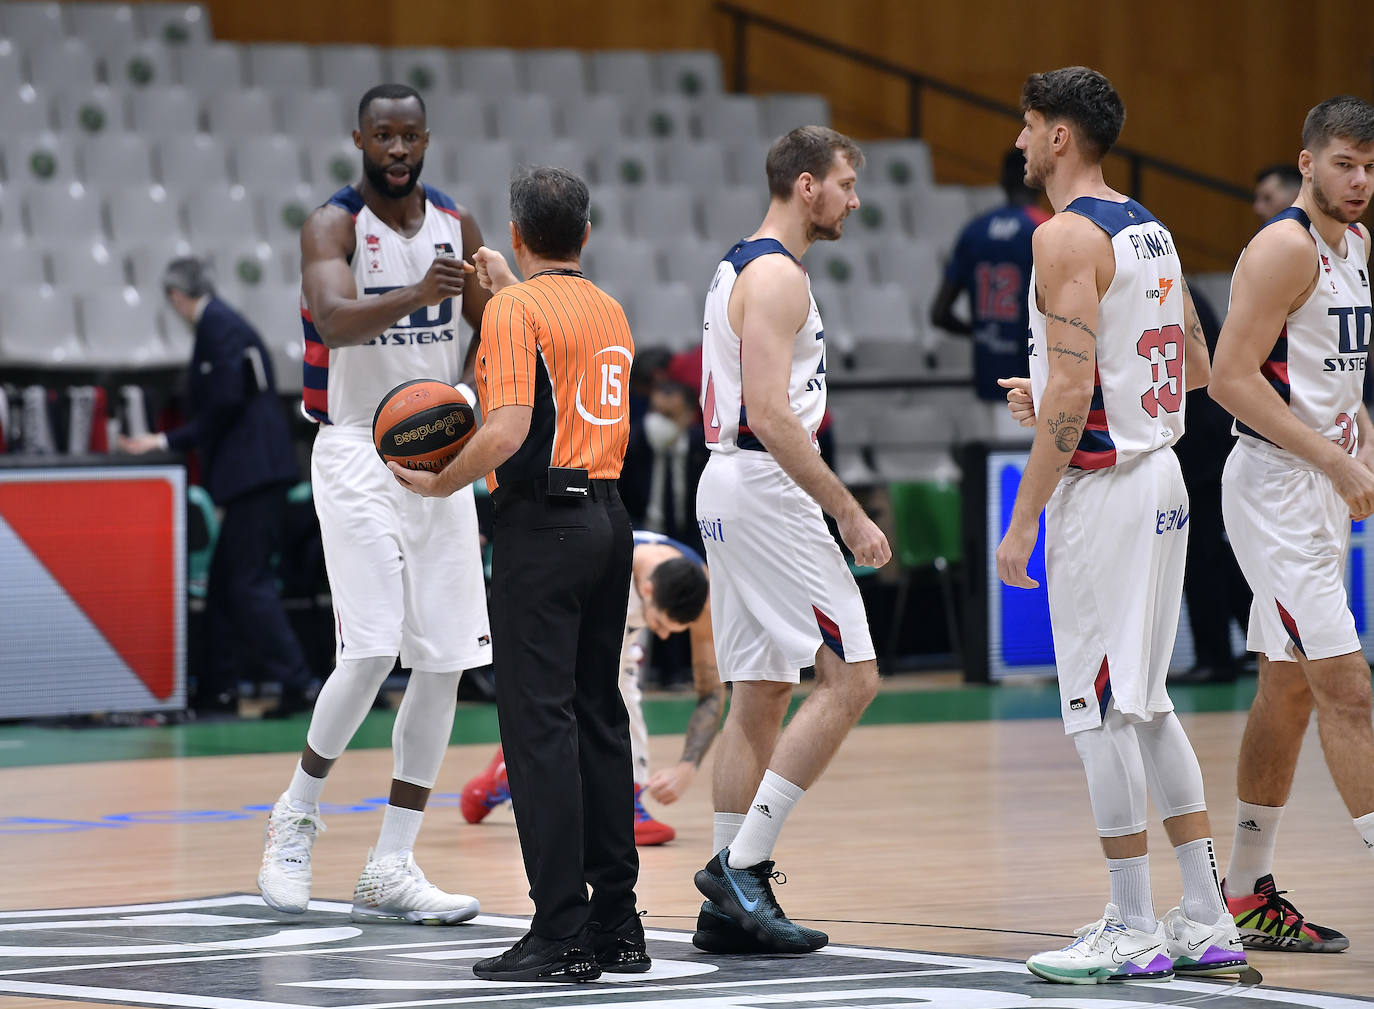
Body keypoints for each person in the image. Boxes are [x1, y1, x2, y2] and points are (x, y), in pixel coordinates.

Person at [995, 67, 1245, 985]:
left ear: (1059, 135)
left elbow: (1072, 390)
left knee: (1099, 709)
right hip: (1161, 477)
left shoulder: (1062, 234)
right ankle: (1206, 915)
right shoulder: (1149, 226)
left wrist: (1024, 516)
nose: (1019, 143)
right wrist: (1080, 394)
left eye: (1028, 126)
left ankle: (1133, 924)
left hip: (1104, 492)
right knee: (1146, 703)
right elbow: (1198, 365)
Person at [393, 165, 645, 983]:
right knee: (599, 715)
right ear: (586, 235)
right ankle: (618, 924)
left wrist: (439, 481)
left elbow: (504, 430)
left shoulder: (512, 311)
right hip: (609, 517)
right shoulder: (607, 307)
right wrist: (508, 288)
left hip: (544, 526)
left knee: (539, 728)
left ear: (514, 234)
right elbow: (554, 362)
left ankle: (560, 929)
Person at [255, 83, 493, 926]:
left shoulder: (457, 226)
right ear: (359, 139)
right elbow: (333, 318)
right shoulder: (333, 225)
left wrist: (472, 395)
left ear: (426, 139)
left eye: (409, 135)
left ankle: (392, 863)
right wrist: (420, 292)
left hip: (440, 449)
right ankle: (295, 816)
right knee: (370, 649)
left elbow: (491, 327)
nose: (397, 148)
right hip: (357, 447)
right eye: (383, 135)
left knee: (445, 660)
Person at [689, 125, 890, 957]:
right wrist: (847, 510)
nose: (854, 200)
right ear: (806, 186)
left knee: (763, 689)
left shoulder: (740, 265)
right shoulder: (777, 276)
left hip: (729, 484)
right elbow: (770, 414)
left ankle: (726, 909)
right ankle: (741, 866)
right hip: (767, 487)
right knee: (852, 676)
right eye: (845, 183)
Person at [1207, 95, 1374, 953]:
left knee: (1290, 686)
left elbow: (1340, 384)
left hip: (1317, 485)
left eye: (1370, 167)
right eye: (1345, 163)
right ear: (1306, 163)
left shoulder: (1357, 245)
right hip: (1275, 485)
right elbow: (1229, 379)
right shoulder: (1284, 247)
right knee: (1349, 688)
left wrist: (1361, 448)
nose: (1360, 180)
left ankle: (1245, 889)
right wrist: (1335, 461)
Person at [119, 257, 311, 719]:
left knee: (246, 581)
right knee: (227, 584)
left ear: (175, 297)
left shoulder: (216, 326)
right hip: (258, 472)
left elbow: (224, 402)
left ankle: (299, 684)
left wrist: (166, 440)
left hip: (254, 474)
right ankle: (218, 689)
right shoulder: (227, 322)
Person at [461, 530, 720, 845]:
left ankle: (626, 800)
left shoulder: (701, 594)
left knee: (623, 686)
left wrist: (688, 767)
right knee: (573, 696)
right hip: (563, 602)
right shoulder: (601, 565)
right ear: (647, 590)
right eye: (661, 625)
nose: (663, 636)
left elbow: (712, 691)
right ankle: (512, 769)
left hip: (611, 606)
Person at [931, 148, 1049, 440]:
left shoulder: (974, 230)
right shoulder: (1045, 229)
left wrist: (983, 332)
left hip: (986, 380)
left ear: (1002, 180)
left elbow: (939, 314)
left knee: (992, 464)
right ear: (1040, 178)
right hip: (1032, 387)